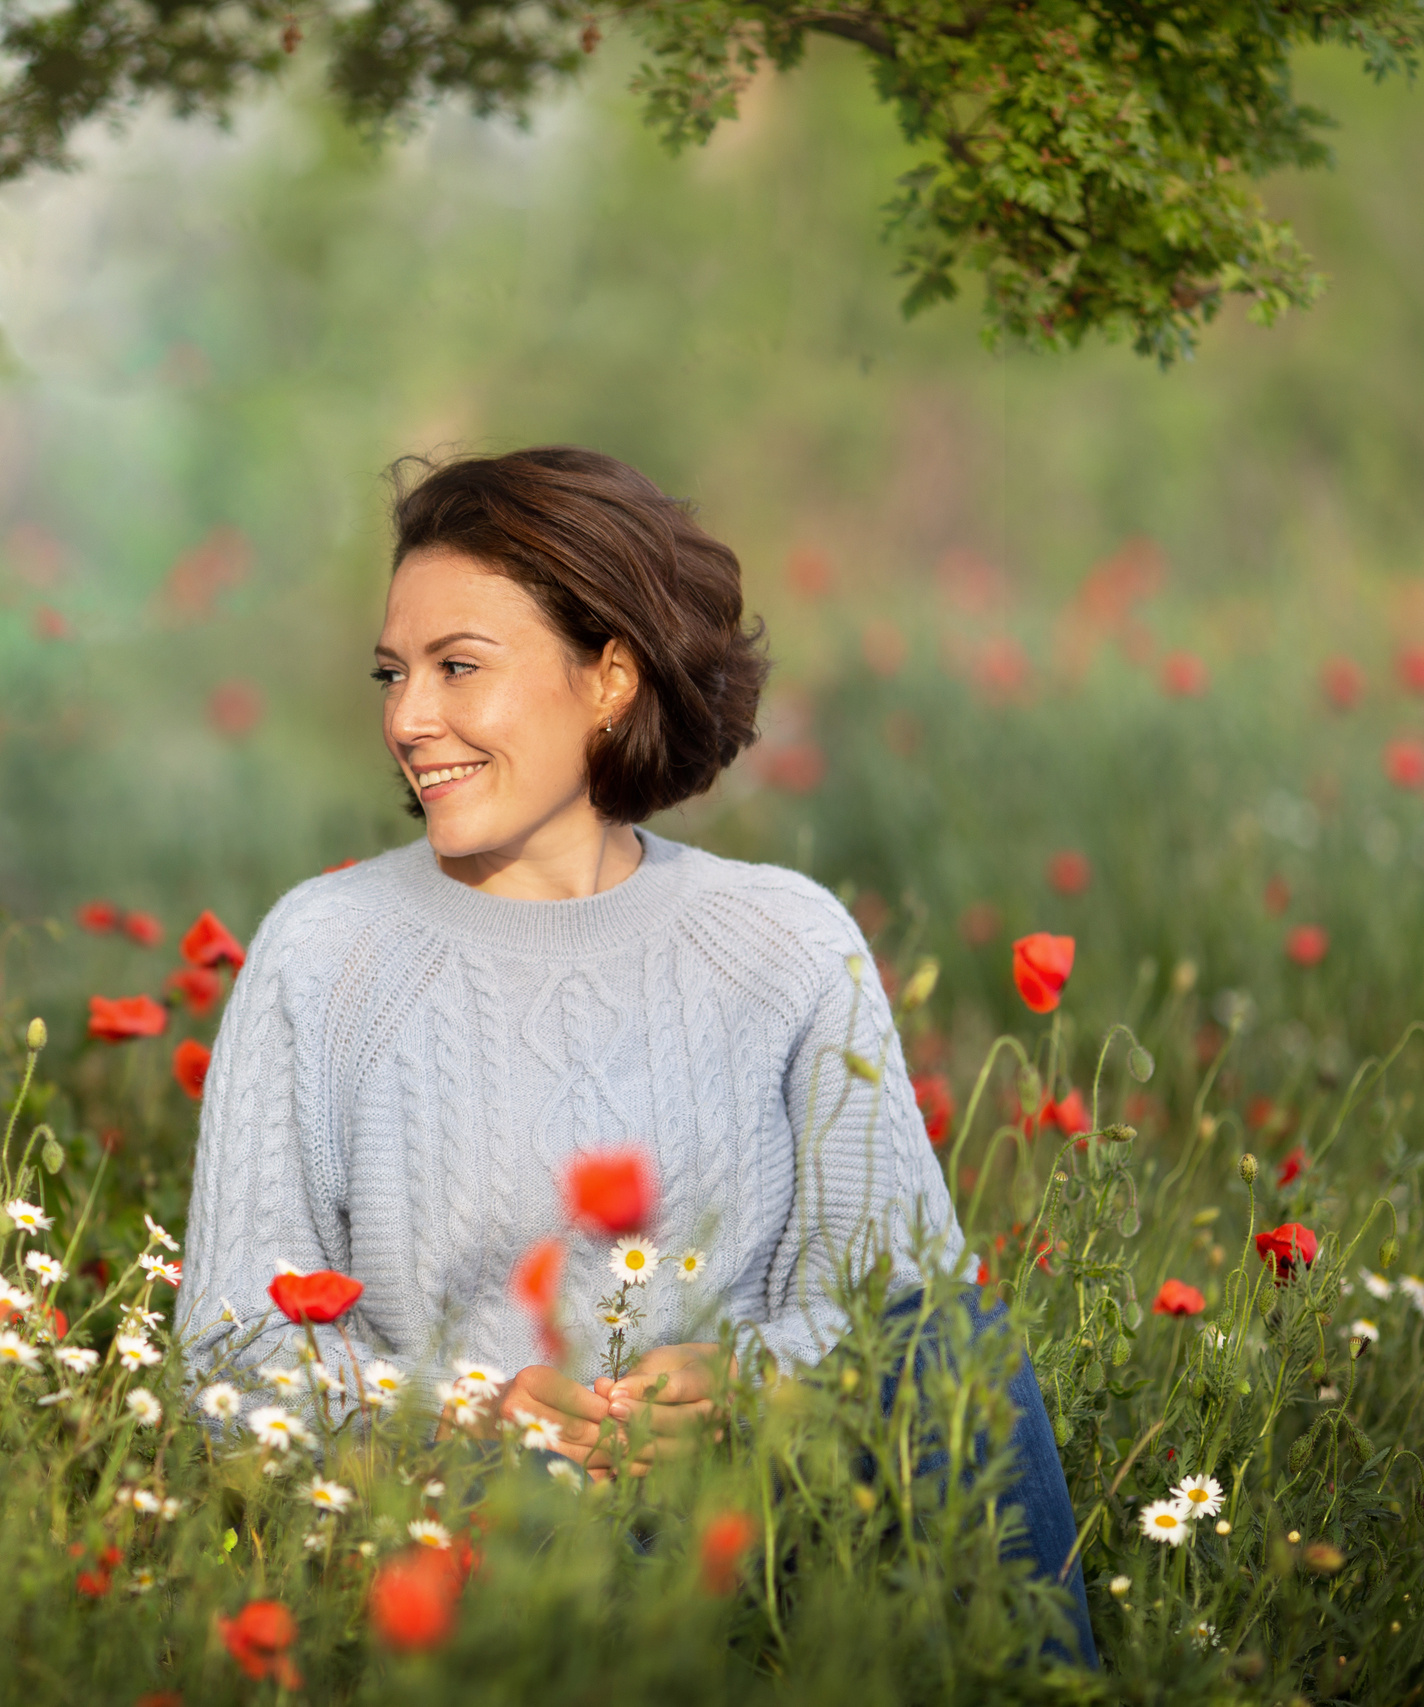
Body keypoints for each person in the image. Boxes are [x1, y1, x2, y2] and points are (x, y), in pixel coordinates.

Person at [172, 446, 1093, 1660]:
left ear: (608, 677)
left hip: (768, 1519)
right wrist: (475, 1414)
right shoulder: (325, 951)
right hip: (478, 1537)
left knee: (953, 1337)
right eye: (394, 673)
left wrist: (749, 1386)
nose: (407, 717)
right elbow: (232, 1353)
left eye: (458, 669)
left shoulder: (784, 941)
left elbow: (891, 1316)